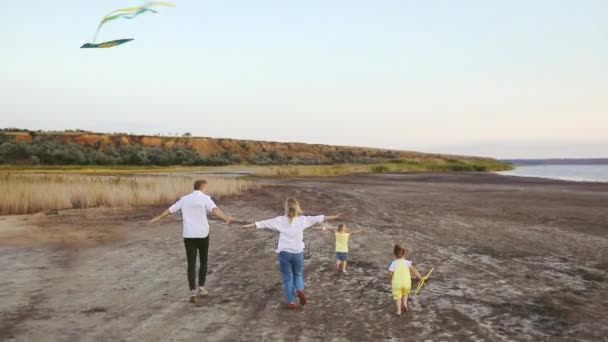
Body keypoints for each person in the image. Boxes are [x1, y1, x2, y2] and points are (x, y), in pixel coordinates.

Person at [241, 197, 343, 309]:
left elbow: (264, 223)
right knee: (298, 274)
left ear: (286, 208)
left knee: (287, 277)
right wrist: (335, 217)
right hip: (297, 253)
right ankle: (300, 290)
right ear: (297, 207)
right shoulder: (303, 219)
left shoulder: (279, 220)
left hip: (284, 253)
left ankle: (291, 302)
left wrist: (250, 225)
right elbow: (319, 218)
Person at [148, 179, 233, 303]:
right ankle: (201, 287)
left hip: (188, 235)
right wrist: (226, 218)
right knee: (203, 260)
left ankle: (192, 292)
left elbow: (170, 210)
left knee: (191, 263)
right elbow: (215, 210)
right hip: (203, 234)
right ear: (203, 187)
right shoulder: (205, 198)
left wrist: (158, 218)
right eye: (206, 187)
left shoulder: (184, 199)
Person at [388, 242, 424, 316]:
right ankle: (404, 304)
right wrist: (420, 278)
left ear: (394, 254)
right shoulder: (407, 263)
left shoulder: (393, 263)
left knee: (398, 297)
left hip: (397, 284)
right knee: (405, 294)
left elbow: (390, 273)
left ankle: (398, 311)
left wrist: (390, 281)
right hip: (406, 283)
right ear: (404, 253)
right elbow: (414, 271)